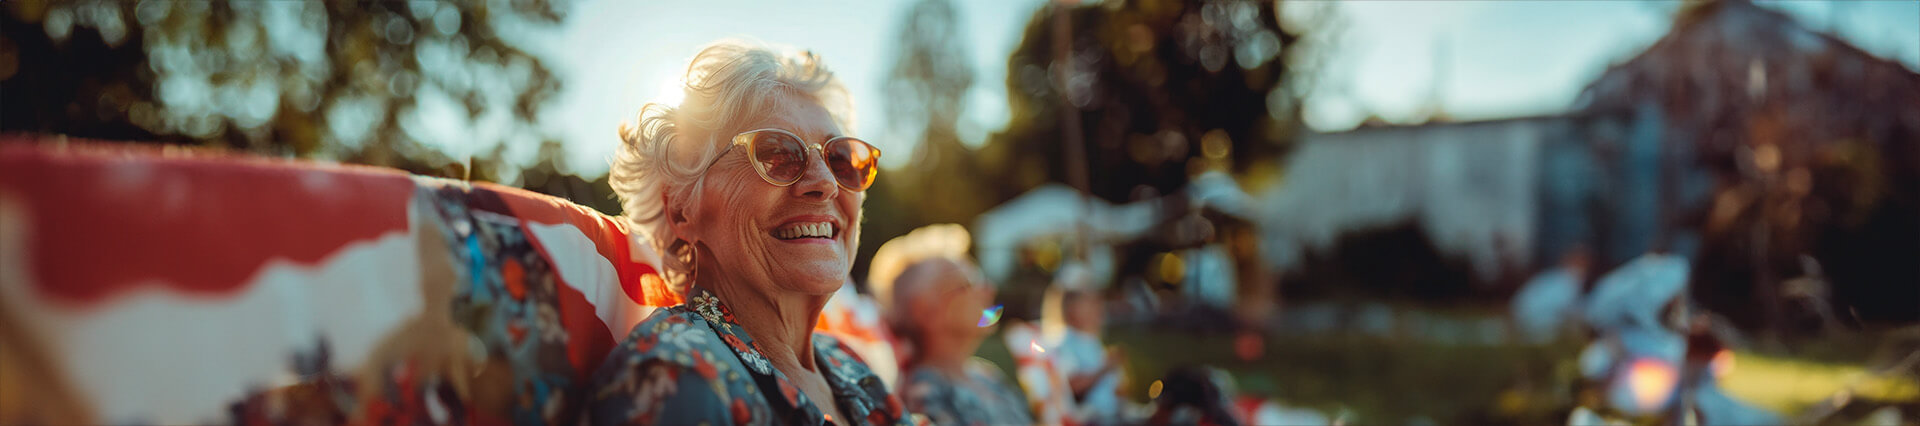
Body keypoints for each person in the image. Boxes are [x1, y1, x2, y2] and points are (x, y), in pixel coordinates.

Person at [588, 39, 908, 425]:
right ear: (682, 211)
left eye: (839, 159)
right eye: (777, 153)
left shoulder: (846, 362)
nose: (826, 183)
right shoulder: (677, 379)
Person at [868, 225, 1033, 426]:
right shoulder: (923, 397)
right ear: (926, 311)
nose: (988, 289)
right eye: (967, 283)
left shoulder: (986, 374)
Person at [1041, 263, 1127, 425]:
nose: (1098, 307)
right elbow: (1071, 388)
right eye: (1089, 301)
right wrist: (1105, 368)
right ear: (1070, 307)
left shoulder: (1092, 342)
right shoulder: (1061, 342)